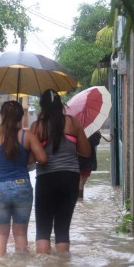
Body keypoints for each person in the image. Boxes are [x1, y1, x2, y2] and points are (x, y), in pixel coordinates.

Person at [30, 89, 91, 254]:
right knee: (62, 229)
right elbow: (86, 152)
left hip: (45, 178)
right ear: (61, 104)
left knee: (43, 229)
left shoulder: (37, 126)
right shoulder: (73, 122)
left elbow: (30, 159)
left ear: (42, 105)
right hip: (69, 178)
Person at [0, 101, 47, 257]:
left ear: (1, 115)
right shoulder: (27, 135)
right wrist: (28, 155)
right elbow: (43, 158)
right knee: (20, 234)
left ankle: (0, 264)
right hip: (22, 186)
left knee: (0, 232)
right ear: (21, 116)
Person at [78, 130, 111, 199]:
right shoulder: (90, 132)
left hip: (79, 160)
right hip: (86, 160)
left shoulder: (76, 130)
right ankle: (80, 198)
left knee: (81, 180)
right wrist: (98, 134)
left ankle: (80, 199)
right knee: (82, 181)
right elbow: (95, 142)